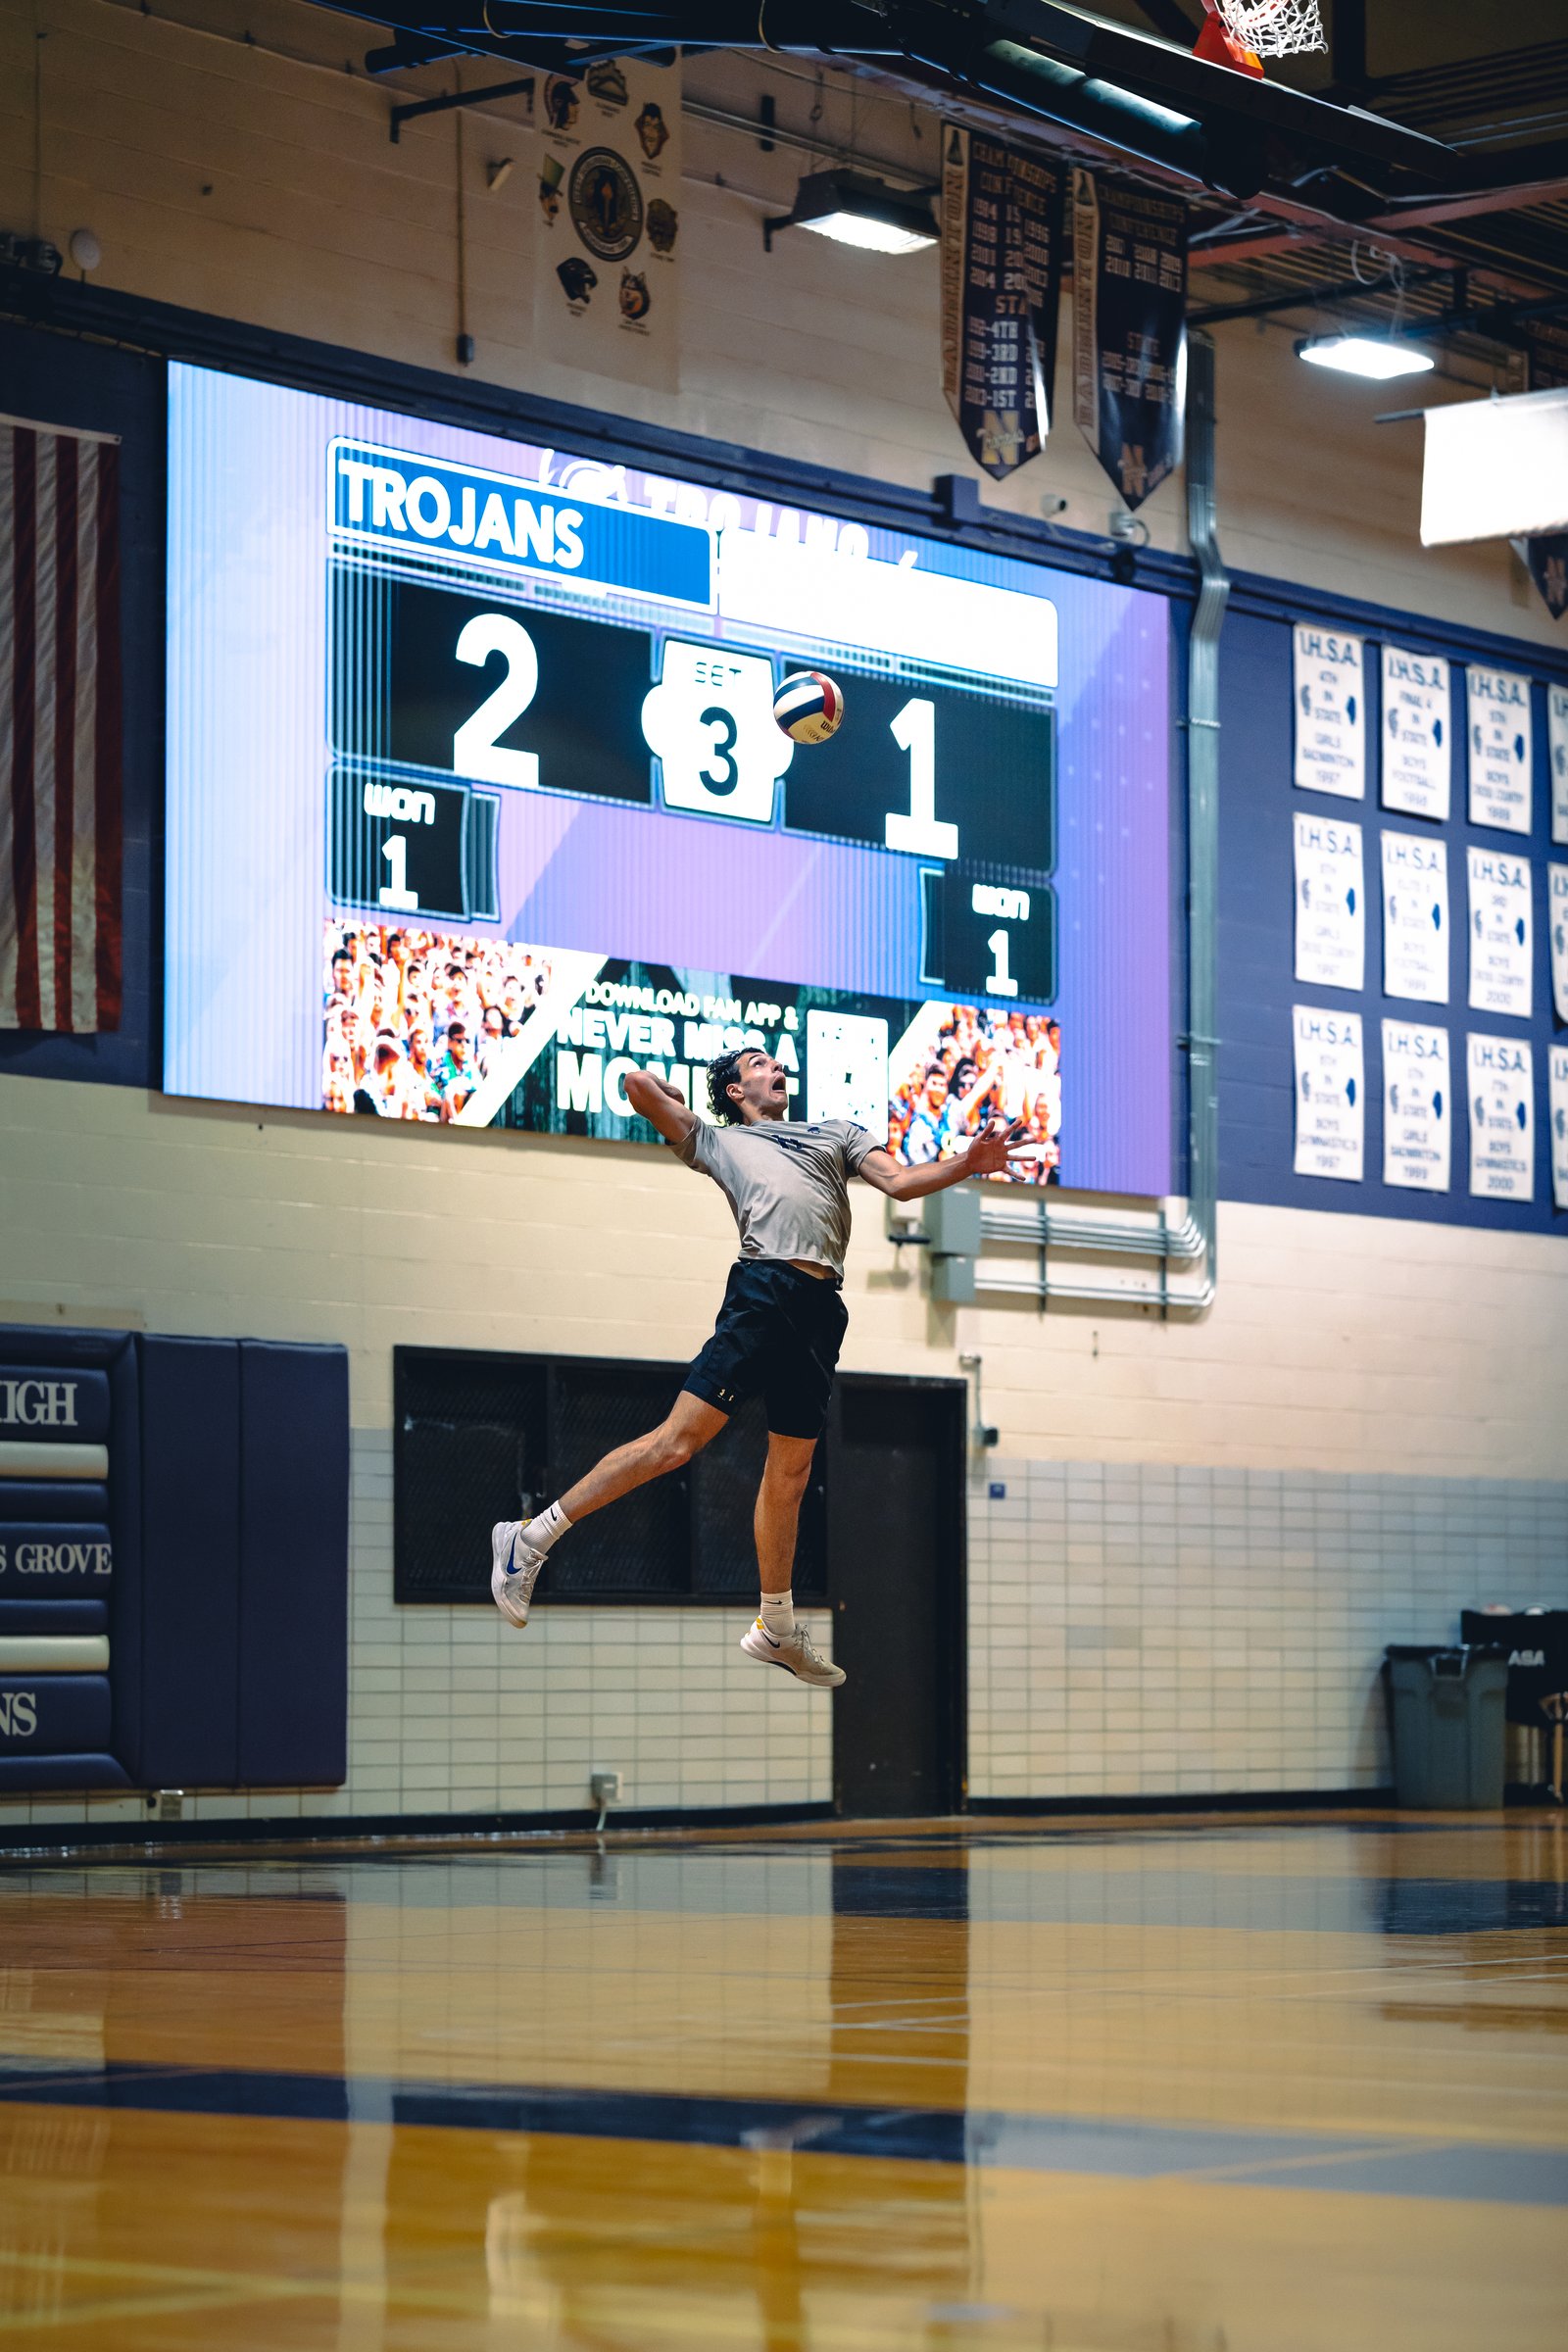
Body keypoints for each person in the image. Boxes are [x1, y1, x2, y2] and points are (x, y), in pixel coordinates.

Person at [492, 1046, 1027, 1684]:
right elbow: (635, 1085)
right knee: (676, 1444)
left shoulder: (836, 1133)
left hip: (821, 1307)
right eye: (758, 1063)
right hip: (764, 1291)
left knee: (792, 1472)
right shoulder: (717, 1140)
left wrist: (967, 1163)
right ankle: (530, 1538)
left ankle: (775, 1625)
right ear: (736, 1090)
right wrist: (678, 1095)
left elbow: (900, 1183)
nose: (776, 1068)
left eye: (776, 1062)